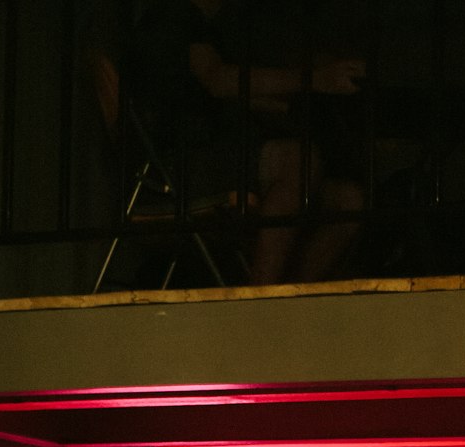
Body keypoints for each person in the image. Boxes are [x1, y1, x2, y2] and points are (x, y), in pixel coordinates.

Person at [128, 0, 366, 284]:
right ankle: (261, 292)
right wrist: (313, 79)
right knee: (296, 160)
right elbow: (218, 80)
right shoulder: (174, 16)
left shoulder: (214, 30)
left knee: (348, 200)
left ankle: (287, 297)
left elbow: (233, 91)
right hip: (174, 172)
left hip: (214, 162)